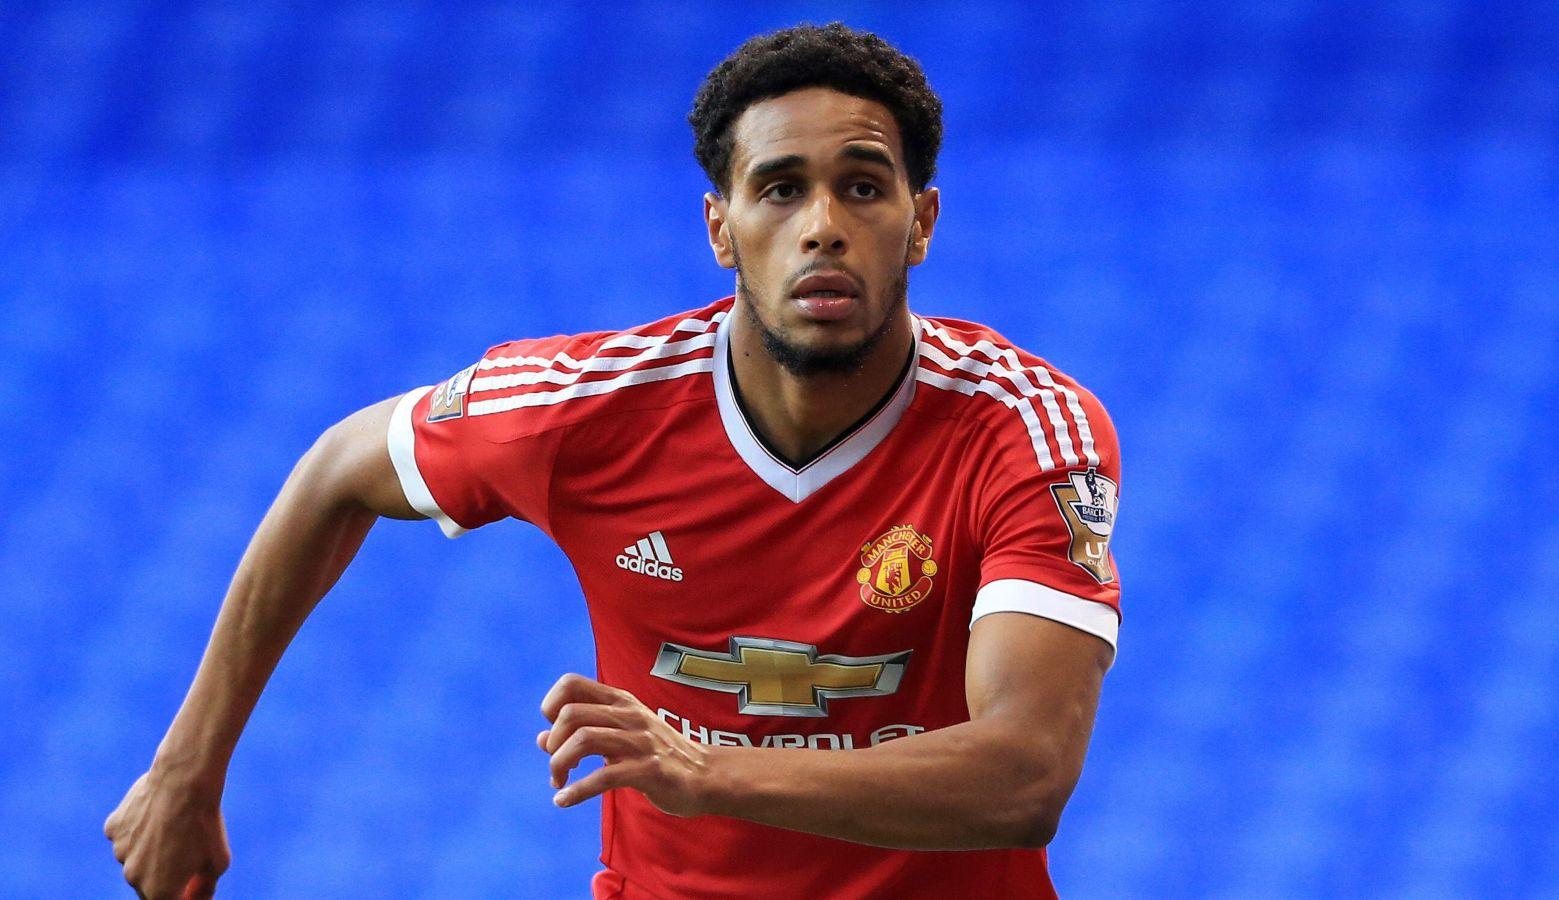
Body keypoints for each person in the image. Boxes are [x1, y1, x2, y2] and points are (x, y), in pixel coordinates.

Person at [104, 21, 1121, 899]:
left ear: (921, 224)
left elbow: (1023, 777)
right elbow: (337, 470)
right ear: (720, 228)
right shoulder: (584, 409)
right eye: (779, 190)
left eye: (863, 188)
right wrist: (188, 767)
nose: (823, 228)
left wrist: (702, 771)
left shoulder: (1028, 431)